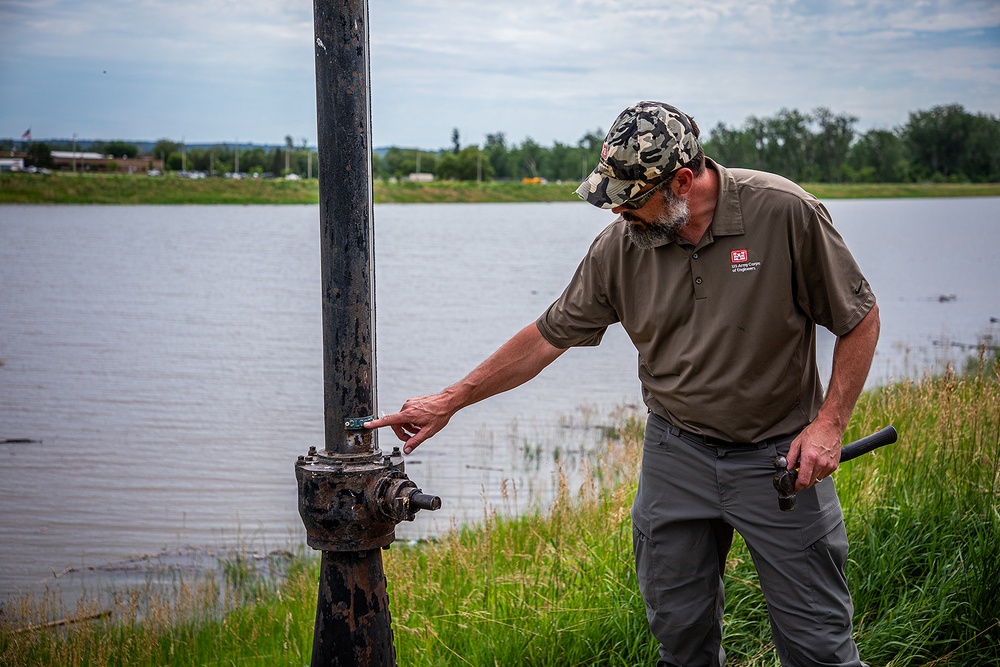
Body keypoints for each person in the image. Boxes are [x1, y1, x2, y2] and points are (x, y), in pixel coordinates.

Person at [366, 100, 880, 667]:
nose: (618, 216)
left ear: (683, 180)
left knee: (819, 647)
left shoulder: (784, 212)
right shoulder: (621, 245)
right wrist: (451, 400)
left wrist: (829, 425)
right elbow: (547, 336)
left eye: (631, 201)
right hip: (676, 453)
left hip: (779, 457)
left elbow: (858, 318)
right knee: (680, 639)